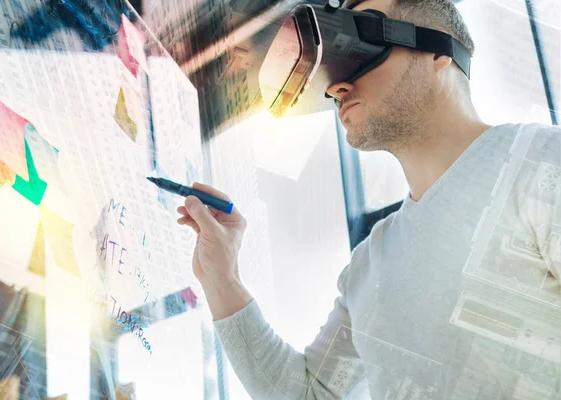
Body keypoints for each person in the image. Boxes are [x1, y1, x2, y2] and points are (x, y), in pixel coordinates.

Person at [176, 0, 561, 398]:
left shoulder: (541, 163)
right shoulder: (368, 264)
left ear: (438, 53)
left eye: (363, 43)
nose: (336, 86)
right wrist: (221, 279)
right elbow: (307, 393)